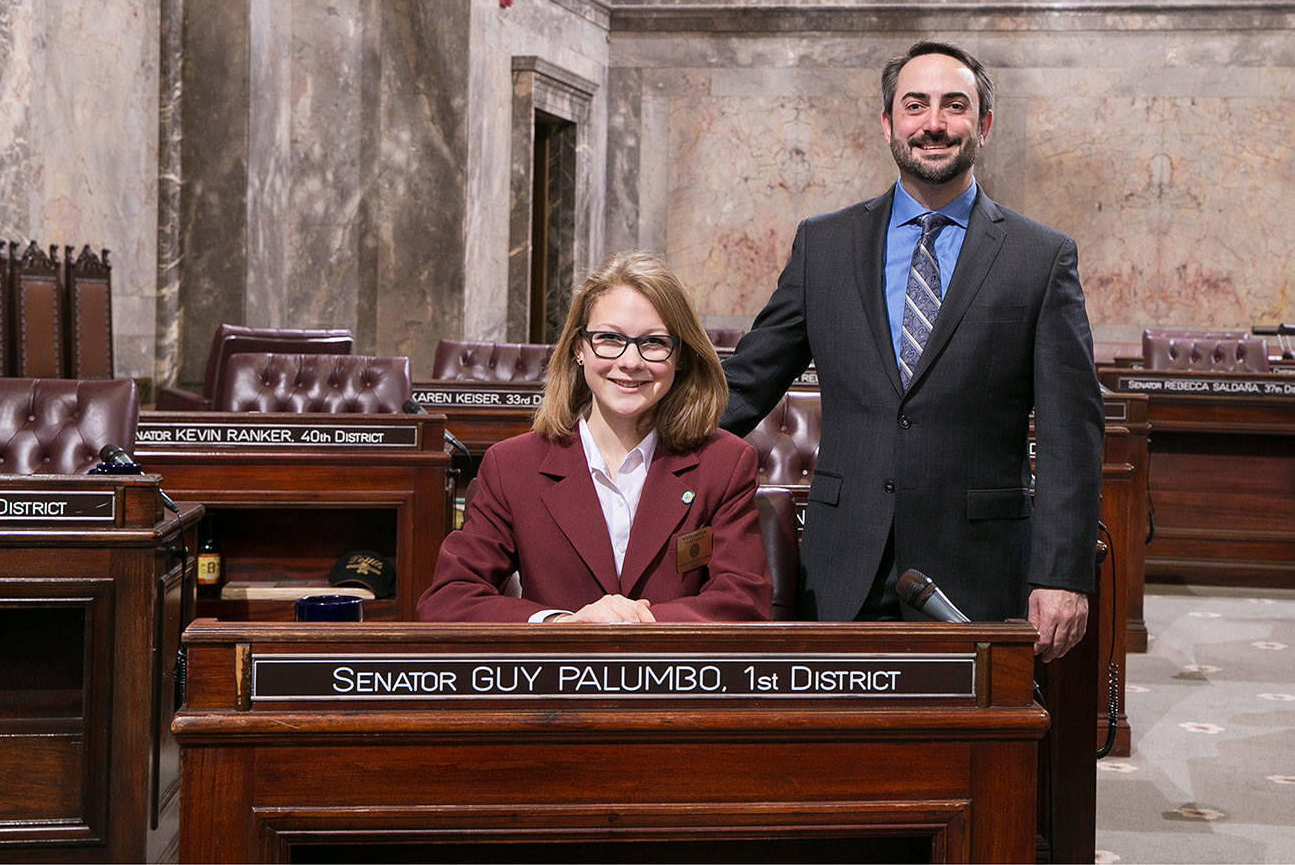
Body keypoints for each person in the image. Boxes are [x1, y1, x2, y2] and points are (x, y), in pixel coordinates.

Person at [719, 41, 1103, 661]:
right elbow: (748, 382)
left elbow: (1070, 430)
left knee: (972, 755)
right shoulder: (824, 244)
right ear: (888, 123)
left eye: (955, 106)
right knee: (838, 749)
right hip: (843, 560)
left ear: (983, 125)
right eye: (915, 105)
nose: (934, 124)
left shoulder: (1041, 257)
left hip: (979, 568)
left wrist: (1062, 573)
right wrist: (636, 440)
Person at [418, 251, 771, 623]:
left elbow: (744, 601)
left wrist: (638, 624)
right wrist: (563, 625)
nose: (631, 361)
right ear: (578, 349)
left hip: (673, 677)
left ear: (680, 356)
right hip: (556, 678)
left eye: (653, 342)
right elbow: (449, 598)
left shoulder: (726, 463)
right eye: (609, 338)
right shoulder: (512, 466)